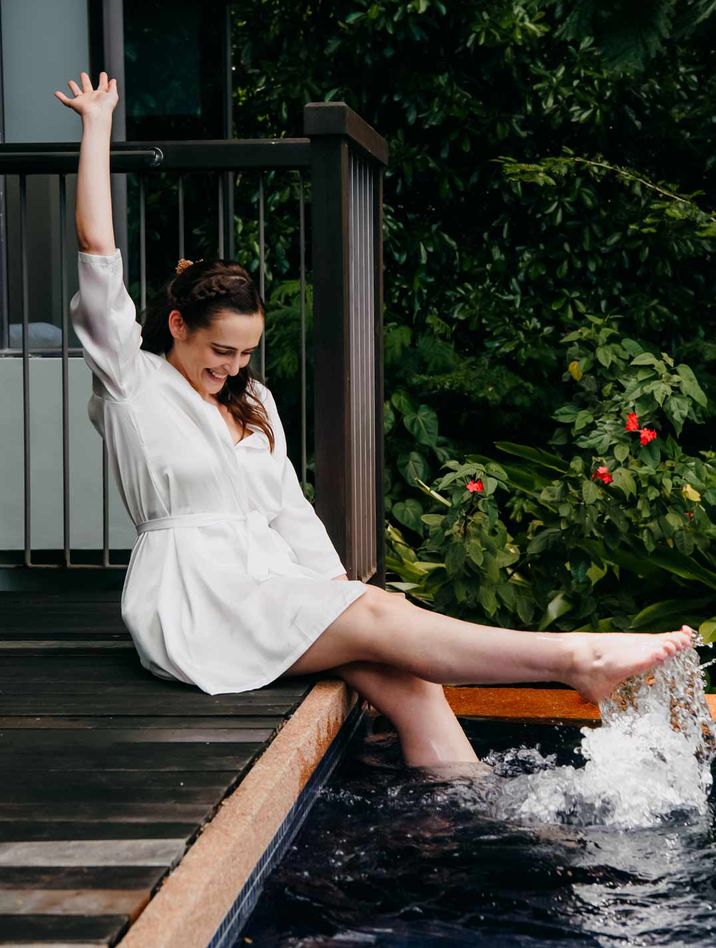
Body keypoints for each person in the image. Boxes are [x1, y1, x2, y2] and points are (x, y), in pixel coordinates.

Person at [56, 72, 694, 769]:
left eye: (245, 353)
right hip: (197, 603)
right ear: (176, 326)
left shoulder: (254, 402)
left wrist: (337, 589)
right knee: (381, 617)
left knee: (410, 680)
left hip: (269, 586)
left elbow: (290, 513)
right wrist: (97, 126)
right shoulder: (131, 383)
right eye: (219, 350)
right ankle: (576, 657)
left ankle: (465, 805)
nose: (233, 367)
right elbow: (97, 252)